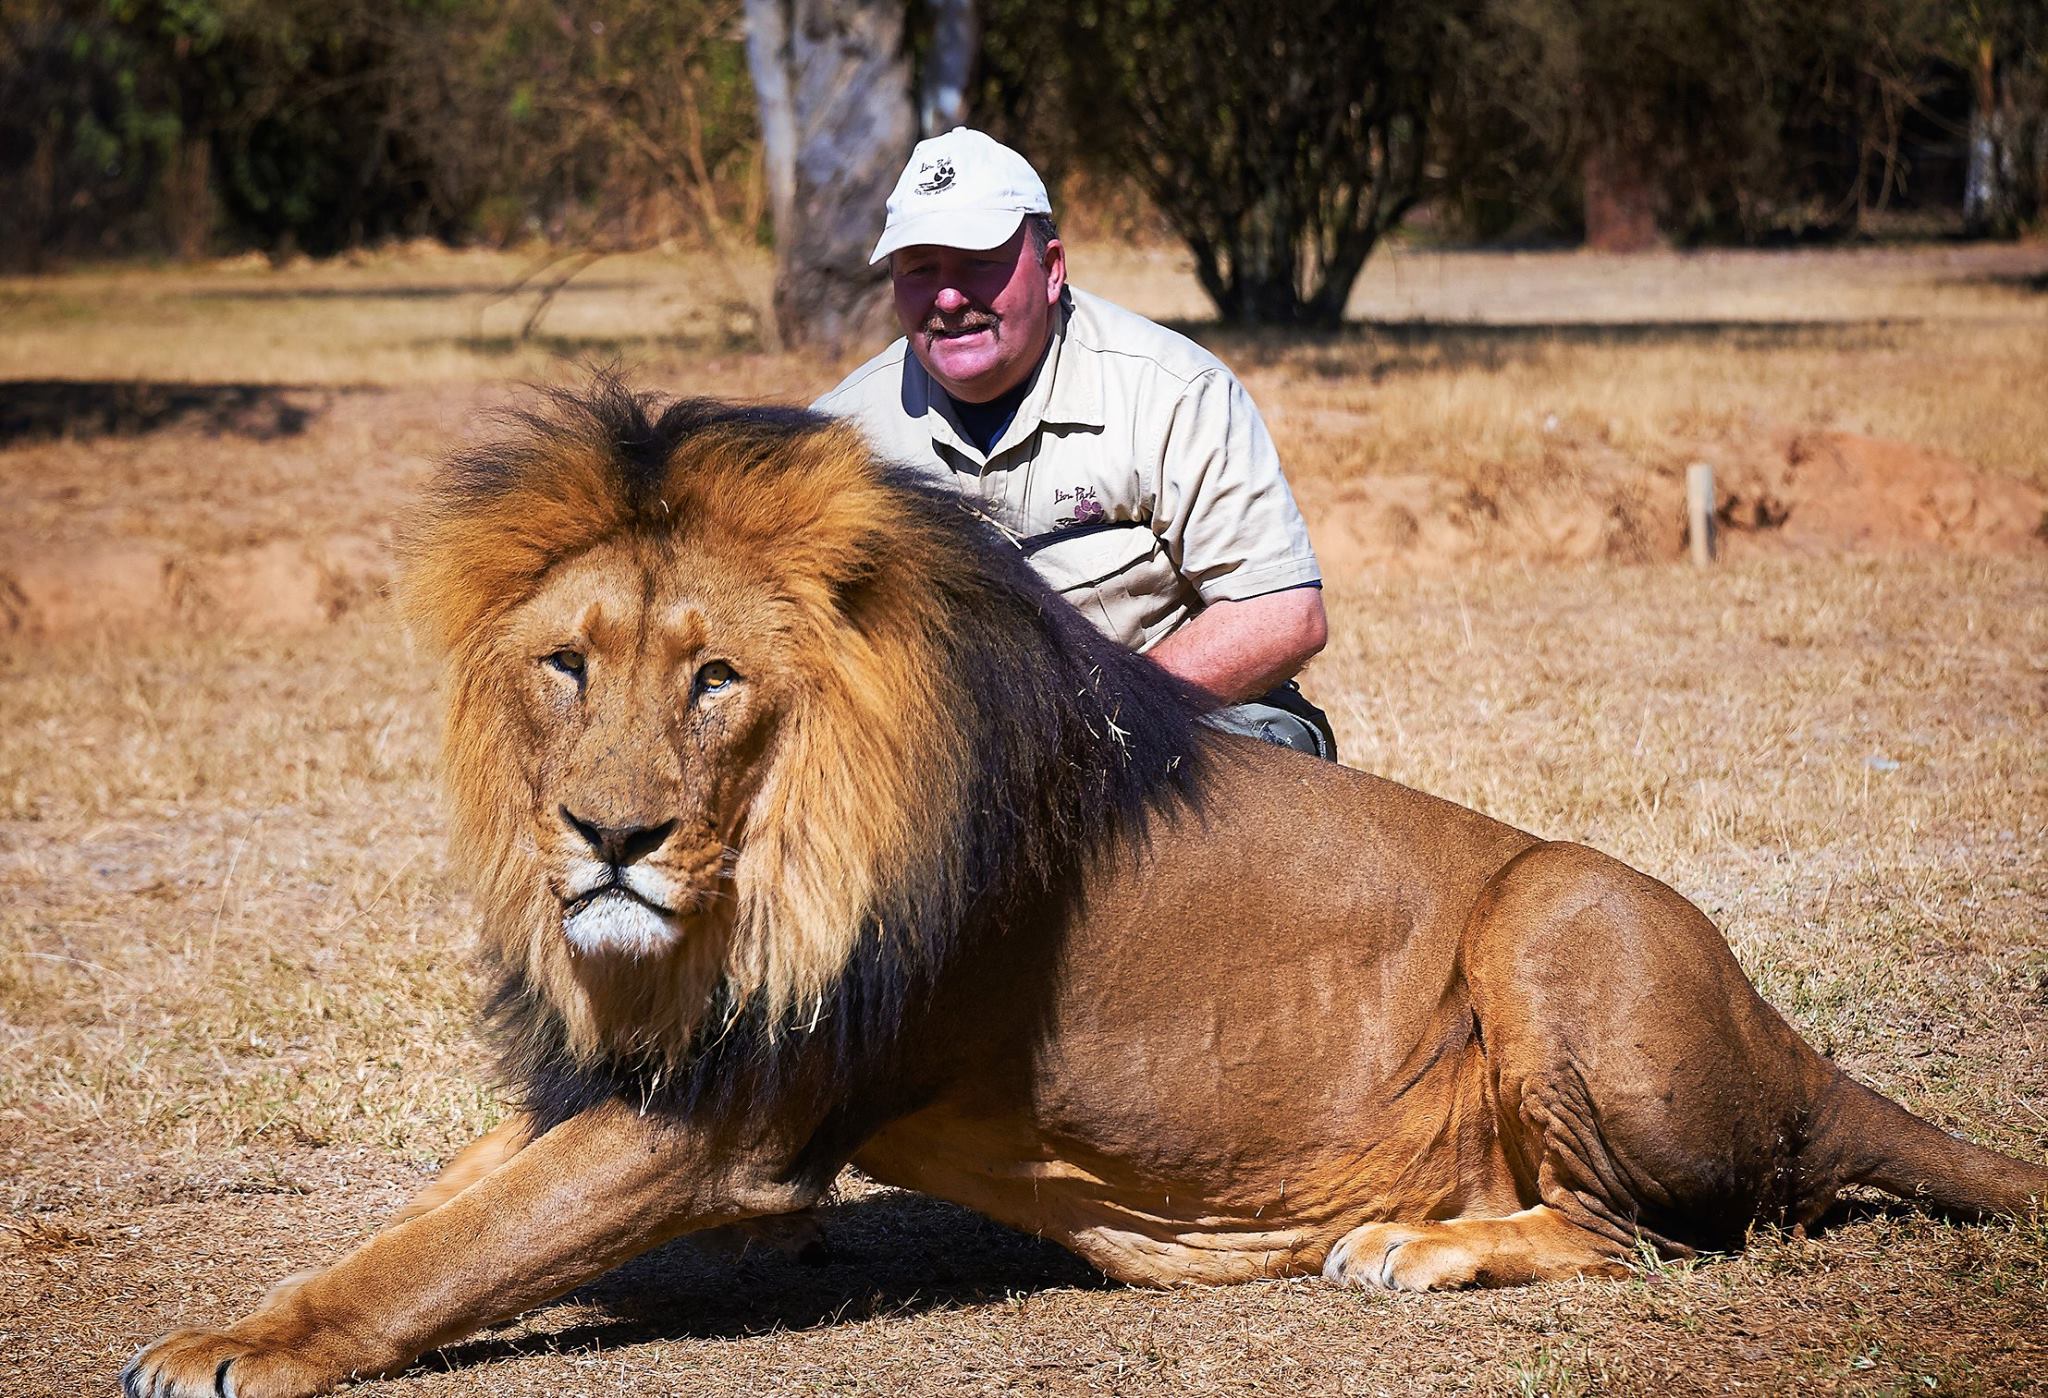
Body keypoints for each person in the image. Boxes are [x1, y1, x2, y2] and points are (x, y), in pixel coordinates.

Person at [813, 127, 1336, 760]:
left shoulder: (1173, 391)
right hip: (937, 764)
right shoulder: (835, 441)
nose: (949, 299)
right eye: (920, 270)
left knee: (1266, 759)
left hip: (1153, 735)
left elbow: (1281, 614)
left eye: (979, 264)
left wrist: (1088, 723)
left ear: (1052, 269)